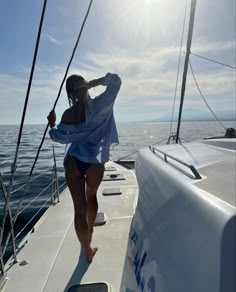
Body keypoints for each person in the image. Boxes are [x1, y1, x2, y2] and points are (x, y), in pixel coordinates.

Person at [47, 73, 121, 262]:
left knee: (79, 209)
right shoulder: (102, 103)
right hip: (95, 163)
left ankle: (86, 250)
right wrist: (93, 83)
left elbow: (57, 136)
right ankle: (90, 231)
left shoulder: (68, 114)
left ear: (69, 93)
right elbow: (116, 81)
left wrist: (52, 124)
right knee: (92, 197)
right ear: (85, 87)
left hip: (74, 163)